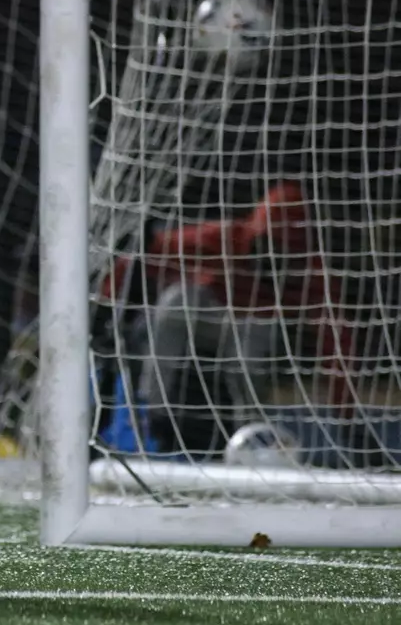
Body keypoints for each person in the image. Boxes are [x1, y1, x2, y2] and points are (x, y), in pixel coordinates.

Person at [129, 181, 355, 453]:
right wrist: (110, 294)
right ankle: (153, 412)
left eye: (280, 249)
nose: (271, 255)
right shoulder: (227, 237)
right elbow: (155, 248)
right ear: (256, 234)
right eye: (267, 243)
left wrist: (346, 413)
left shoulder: (310, 274)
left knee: (248, 344)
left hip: (258, 330)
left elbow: (337, 344)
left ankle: (248, 434)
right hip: (211, 316)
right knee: (175, 300)